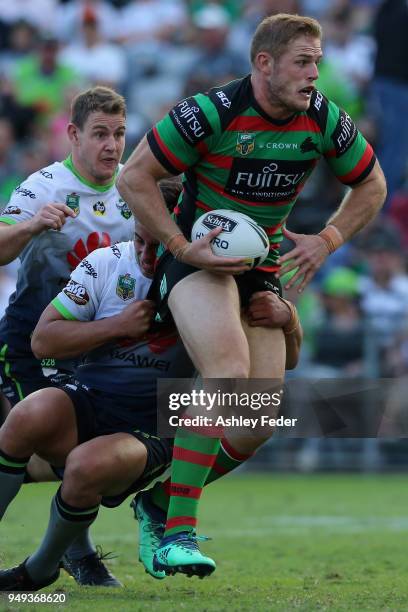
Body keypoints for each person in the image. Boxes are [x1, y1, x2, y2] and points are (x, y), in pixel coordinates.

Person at [116, 12, 387, 577]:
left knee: (258, 419)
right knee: (227, 369)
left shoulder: (322, 119)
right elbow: (133, 176)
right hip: (199, 259)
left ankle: (159, 500)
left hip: (260, 269)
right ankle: (178, 533)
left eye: (318, 61)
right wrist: (178, 244)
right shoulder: (210, 112)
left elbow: (372, 183)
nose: (315, 73)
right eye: (302, 61)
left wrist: (328, 239)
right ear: (263, 63)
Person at [0, 180, 302, 590]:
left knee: (86, 466)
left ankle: (40, 569)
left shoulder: (212, 288)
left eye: (154, 246)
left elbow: (281, 366)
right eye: (138, 240)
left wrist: (289, 320)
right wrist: (116, 326)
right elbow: (43, 341)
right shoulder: (105, 263)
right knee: (25, 415)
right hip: (88, 397)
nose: (144, 255)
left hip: (151, 426)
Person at [0, 85, 134, 585]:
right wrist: (32, 226)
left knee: (73, 458)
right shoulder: (43, 186)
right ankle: (76, 557)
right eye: (100, 133)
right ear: (73, 135)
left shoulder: (134, 189)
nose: (112, 146)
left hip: (93, 347)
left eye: (119, 134)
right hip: (30, 340)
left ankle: (69, 556)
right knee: (54, 450)